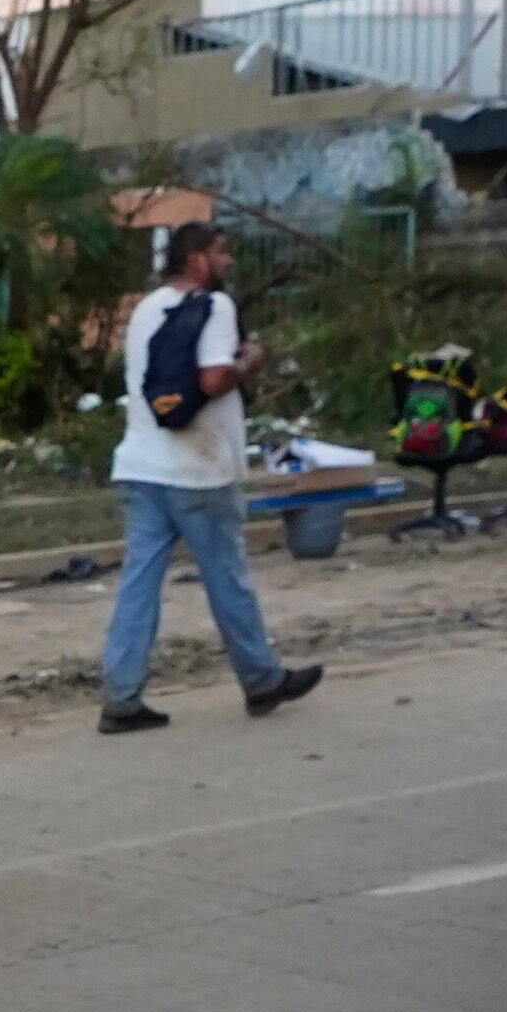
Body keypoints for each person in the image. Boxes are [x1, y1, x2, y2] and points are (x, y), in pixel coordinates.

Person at [95, 219, 319, 734]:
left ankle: (121, 697)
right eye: (221, 252)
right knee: (227, 580)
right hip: (198, 471)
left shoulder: (146, 308)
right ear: (197, 258)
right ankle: (261, 679)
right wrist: (250, 361)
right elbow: (214, 378)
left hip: (140, 465)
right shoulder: (215, 307)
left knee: (138, 585)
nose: (228, 261)